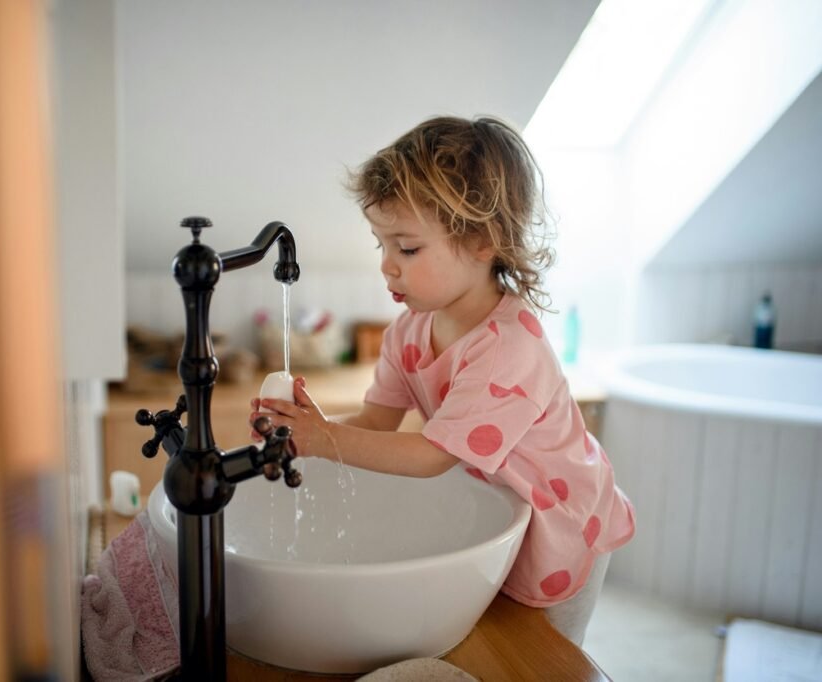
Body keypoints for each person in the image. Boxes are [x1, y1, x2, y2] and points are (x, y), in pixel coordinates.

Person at [250, 115, 635, 646]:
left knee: (541, 660)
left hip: (563, 523)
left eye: (406, 249)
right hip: (496, 505)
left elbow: (434, 455)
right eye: (380, 245)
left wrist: (323, 438)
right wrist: (303, 430)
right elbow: (375, 423)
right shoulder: (408, 332)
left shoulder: (508, 350)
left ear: (483, 242)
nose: (387, 266)